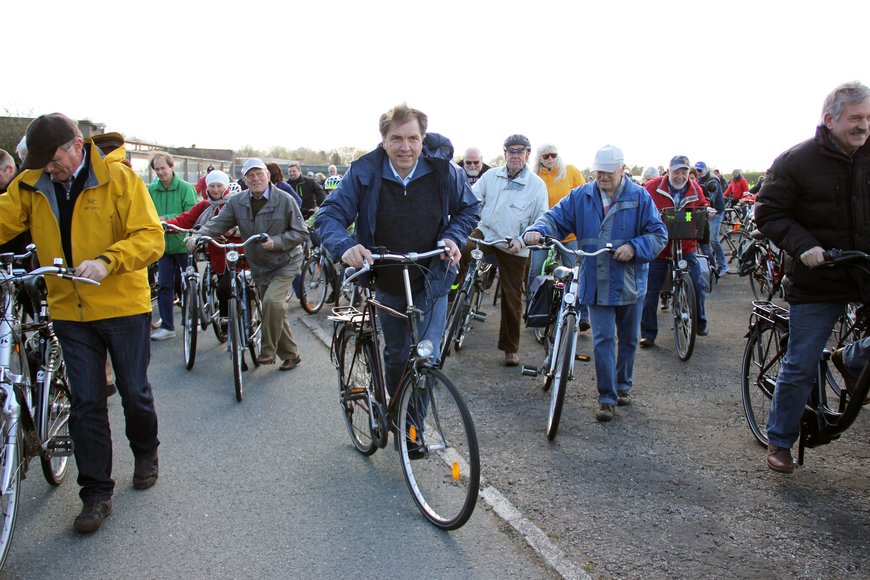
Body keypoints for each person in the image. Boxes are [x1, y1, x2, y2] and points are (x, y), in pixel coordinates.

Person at [0, 113, 165, 533]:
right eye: (41, 163)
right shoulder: (32, 182)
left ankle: (145, 450)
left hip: (123, 305)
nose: (48, 170)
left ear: (77, 145)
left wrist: (108, 261)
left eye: (54, 160)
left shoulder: (120, 179)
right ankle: (95, 494)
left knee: (133, 390)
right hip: (69, 310)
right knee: (86, 401)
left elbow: (150, 237)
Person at [315, 103, 480, 399]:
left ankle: (412, 434)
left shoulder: (445, 172)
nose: (405, 147)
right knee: (396, 354)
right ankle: (396, 410)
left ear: (422, 139)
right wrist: (346, 246)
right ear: (384, 141)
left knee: (427, 357)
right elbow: (329, 216)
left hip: (433, 276)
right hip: (387, 278)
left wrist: (453, 236)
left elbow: (469, 208)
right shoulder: (364, 172)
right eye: (397, 139)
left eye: (413, 139)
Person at [754, 81, 870, 473]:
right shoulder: (797, 161)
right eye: (856, 118)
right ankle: (781, 439)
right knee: (801, 362)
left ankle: (850, 358)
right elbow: (768, 212)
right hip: (819, 275)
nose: (863, 126)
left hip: (865, 270)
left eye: (868, 118)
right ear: (830, 119)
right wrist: (804, 246)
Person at [523, 144, 667, 421]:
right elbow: (556, 217)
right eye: (599, 172)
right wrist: (537, 229)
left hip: (629, 282)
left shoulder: (640, 198)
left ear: (623, 170)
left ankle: (623, 385)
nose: (603, 177)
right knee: (602, 338)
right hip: (596, 281)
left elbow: (658, 234)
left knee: (627, 339)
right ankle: (606, 397)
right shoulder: (581, 196)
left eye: (609, 173)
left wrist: (636, 247)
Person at [196, 158, 308, 370]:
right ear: (245, 180)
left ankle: (267, 350)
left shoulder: (284, 200)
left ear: (267, 175)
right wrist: (199, 235)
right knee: (274, 310)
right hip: (259, 264)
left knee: (272, 304)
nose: (256, 179)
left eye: (259, 174)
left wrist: (277, 242)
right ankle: (291, 354)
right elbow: (219, 223)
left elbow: (301, 232)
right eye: (250, 176)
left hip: (286, 261)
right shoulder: (237, 202)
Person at [460, 134, 548, 367]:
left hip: (514, 243)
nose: (515, 155)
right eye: (511, 151)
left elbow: (541, 220)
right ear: (505, 153)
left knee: (512, 295)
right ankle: (453, 300)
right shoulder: (491, 176)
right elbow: (471, 199)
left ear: (528, 154)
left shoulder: (537, 185)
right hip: (485, 233)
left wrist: (522, 241)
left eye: (521, 151)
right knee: (457, 249)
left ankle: (510, 348)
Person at [640, 156, 713, 348]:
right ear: (669, 171)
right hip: (660, 247)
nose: (680, 176)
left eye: (684, 172)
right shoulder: (653, 187)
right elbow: (643, 207)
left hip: (685, 243)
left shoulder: (695, 188)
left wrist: (707, 210)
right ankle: (647, 333)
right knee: (650, 290)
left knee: (696, 282)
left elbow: (701, 206)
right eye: (677, 172)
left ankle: (700, 322)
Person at [166, 170, 240, 327]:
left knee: (225, 287)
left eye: (219, 185)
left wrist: (234, 231)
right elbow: (186, 219)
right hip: (216, 253)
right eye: (212, 186)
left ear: (225, 186)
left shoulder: (236, 202)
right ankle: (225, 321)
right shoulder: (204, 205)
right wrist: (167, 225)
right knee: (221, 287)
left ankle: (231, 318)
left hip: (237, 253)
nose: (215, 189)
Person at [529, 143, 589, 330]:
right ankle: (532, 311)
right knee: (536, 270)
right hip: (542, 233)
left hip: (569, 233)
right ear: (539, 158)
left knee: (575, 272)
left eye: (553, 155)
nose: (550, 159)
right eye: (545, 156)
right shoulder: (534, 177)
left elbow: (586, 196)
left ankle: (579, 314)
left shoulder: (570, 171)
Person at [148, 152, 198, 341]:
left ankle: (193, 317)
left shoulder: (185, 188)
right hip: (163, 247)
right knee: (164, 286)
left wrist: (166, 219)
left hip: (184, 245)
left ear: (171, 167)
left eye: (163, 168)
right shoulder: (152, 191)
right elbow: (146, 213)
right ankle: (168, 327)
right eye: (157, 169)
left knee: (188, 284)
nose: (160, 172)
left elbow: (191, 213)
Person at [695, 161, 727, 275]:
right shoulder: (699, 179)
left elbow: (709, 198)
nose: (698, 173)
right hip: (705, 212)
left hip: (716, 211)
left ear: (705, 169)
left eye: (700, 170)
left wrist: (703, 205)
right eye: (696, 170)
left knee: (713, 240)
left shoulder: (712, 180)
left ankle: (722, 265)